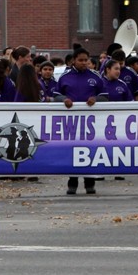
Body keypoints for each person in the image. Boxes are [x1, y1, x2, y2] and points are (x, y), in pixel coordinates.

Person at [53, 47, 105, 195]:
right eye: (80, 60)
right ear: (73, 61)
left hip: (92, 123)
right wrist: (64, 99)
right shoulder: (65, 77)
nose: (83, 63)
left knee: (90, 151)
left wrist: (96, 99)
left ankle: (90, 183)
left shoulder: (95, 77)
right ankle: (72, 182)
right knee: (72, 151)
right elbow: (56, 96)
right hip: (71, 123)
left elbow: (105, 95)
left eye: (86, 60)